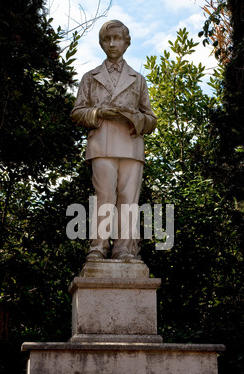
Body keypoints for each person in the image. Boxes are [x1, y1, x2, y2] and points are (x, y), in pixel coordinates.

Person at [71, 20, 157, 261]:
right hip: (102, 143)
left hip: (131, 144)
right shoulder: (90, 77)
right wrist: (98, 113)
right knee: (104, 196)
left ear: (126, 43)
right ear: (101, 44)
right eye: (107, 40)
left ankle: (123, 248)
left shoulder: (138, 79)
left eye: (117, 39)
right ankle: (98, 247)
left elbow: (151, 118)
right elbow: (77, 113)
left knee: (129, 199)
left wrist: (137, 120)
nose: (112, 44)